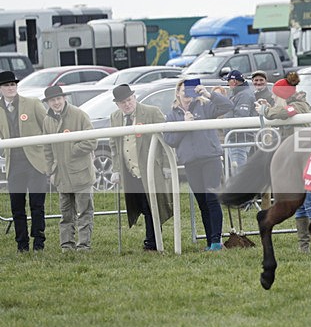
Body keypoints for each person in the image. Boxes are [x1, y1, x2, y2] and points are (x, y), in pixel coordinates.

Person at [164, 79, 234, 251]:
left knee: (212, 199)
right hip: (190, 162)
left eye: (191, 90)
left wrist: (209, 94)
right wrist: (185, 126)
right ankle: (210, 242)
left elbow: (227, 106)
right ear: (177, 93)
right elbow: (170, 140)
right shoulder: (172, 115)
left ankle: (216, 241)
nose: (187, 95)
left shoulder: (205, 106)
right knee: (202, 202)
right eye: (184, 91)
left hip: (210, 158)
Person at [109, 84, 174, 252]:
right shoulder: (115, 117)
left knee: (153, 205)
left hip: (151, 168)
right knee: (141, 205)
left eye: (129, 100)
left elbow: (166, 140)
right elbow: (114, 145)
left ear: (134, 97)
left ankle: (152, 243)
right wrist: (116, 169)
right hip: (130, 170)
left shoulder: (152, 112)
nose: (127, 104)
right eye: (122, 102)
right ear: (117, 104)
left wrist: (167, 166)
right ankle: (152, 241)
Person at [259, 72, 311, 252]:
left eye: (276, 96)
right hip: (293, 162)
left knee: (310, 203)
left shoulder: (299, 105)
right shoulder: (291, 104)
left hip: (305, 160)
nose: (274, 98)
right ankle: (304, 246)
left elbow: (283, 113)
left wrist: (266, 111)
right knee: (297, 204)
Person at [42, 86, 97, 252]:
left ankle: (84, 245)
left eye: (58, 99)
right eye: (52, 100)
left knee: (85, 211)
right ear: (48, 103)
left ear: (64, 98)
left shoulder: (79, 115)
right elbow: (47, 148)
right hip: (61, 175)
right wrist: (51, 169)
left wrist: (72, 150)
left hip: (81, 173)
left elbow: (91, 141)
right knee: (66, 213)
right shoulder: (47, 120)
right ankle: (66, 245)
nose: (56, 102)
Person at [0, 70, 48, 252]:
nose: (10, 88)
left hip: (35, 162)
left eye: (13, 84)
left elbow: (47, 126)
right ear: (1, 89)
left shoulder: (33, 103)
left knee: (37, 205)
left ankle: (38, 242)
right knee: (17, 206)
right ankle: (22, 244)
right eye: (6, 85)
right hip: (14, 164)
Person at [224, 70, 257, 175]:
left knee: (239, 173)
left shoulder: (244, 95)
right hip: (236, 137)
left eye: (228, 81)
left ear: (234, 82)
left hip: (238, 138)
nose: (227, 84)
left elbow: (241, 117)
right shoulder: (239, 93)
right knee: (237, 171)